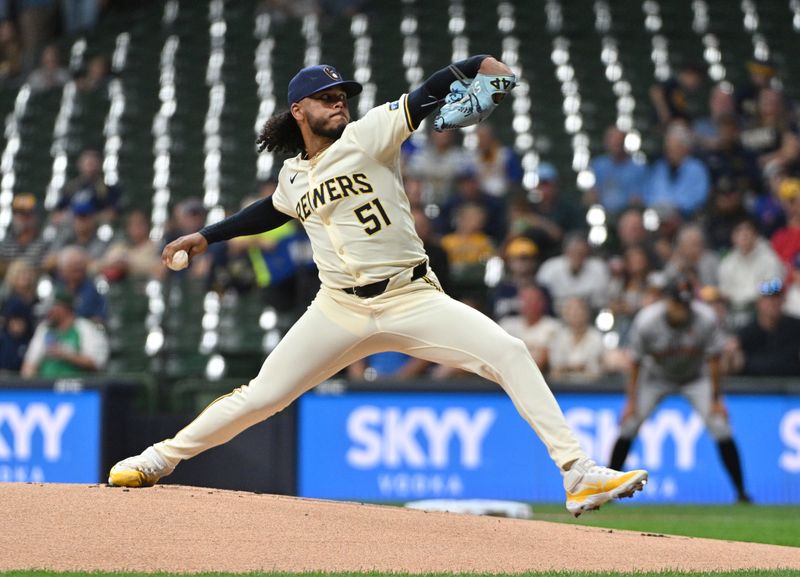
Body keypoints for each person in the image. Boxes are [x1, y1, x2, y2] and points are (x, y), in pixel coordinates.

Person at [108, 57, 648, 516]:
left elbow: (431, 90)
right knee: (261, 397)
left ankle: (578, 473)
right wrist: (206, 235)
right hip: (338, 308)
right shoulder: (293, 176)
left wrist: (482, 67)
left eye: (342, 94)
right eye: (326, 97)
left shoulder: (370, 133)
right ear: (299, 111)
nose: (338, 102)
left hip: (411, 296)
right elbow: (270, 211)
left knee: (508, 352)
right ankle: (157, 459)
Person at [608, 276, 750, 503]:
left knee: (721, 426)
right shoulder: (647, 321)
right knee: (629, 424)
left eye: (686, 303)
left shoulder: (705, 318)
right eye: (677, 303)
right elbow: (635, 362)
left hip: (695, 377)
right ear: (667, 301)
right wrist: (631, 402)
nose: (682, 309)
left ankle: (742, 493)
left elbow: (714, 360)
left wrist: (716, 399)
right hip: (655, 377)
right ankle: (610, 491)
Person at [20, 288, 108, 378]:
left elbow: (97, 363)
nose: (48, 311)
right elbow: (29, 364)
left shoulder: (86, 328)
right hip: (47, 387)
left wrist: (66, 355)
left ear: (64, 308)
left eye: (52, 307)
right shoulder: (44, 329)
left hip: (79, 387)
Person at [718, 217, 784, 328]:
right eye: (739, 231)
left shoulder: (769, 258)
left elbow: (776, 285)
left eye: (747, 231)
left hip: (761, 309)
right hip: (734, 311)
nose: (744, 235)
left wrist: (755, 295)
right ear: (733, 237)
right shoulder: (727, 263)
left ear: (756, 235)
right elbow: (725, 292)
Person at [726, 278, 800, 376]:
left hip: (792, 388)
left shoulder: (796, 328)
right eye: (768, 298)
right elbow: (730, 368)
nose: (773, 302)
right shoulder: (746, 332)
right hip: (752, 389)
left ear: (783, 300)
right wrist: (729, 357)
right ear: (759, 302)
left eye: (777, 297)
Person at [645, 123, 711, 217]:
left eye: (674, 147)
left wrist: (675, 208)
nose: (669, 152)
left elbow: (699, 198)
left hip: (684, 217)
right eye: (668, 147)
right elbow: (649, 194)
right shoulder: (659, 167)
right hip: (657, 216)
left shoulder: (697, 169)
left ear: (685, 148)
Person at [536, 232, 610, 313]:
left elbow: (602, 301)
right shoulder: (550, 268)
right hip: (555, 315)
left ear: (588, 253)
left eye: (581, 253)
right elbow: (540, 296)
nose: (577, 256)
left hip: (589, 315)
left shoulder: (598, 268)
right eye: (573, 252)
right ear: (566, 252)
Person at [499, 283, 561, 373]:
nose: (527, 304)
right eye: (524, 300)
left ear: (542, 303)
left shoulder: (553, 326)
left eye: (532, 300)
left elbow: (544, 361)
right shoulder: (507, 324)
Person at [587, 126, 647, 215]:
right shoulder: (597, 166)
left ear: (624, 143)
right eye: (613, 142)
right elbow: (591, 194)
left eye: (619, 141)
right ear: (606, 143)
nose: (616, 145)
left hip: (627, 213)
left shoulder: (638, 168)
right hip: (602, 214)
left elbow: (638, 198)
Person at [548, 296, 606, 382]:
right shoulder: (559, 337)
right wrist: (579, 367)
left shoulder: (596, 337)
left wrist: (567, 368)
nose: (575, 314)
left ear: (586, 313)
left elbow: (594, 370)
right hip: (562, 388)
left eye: (579, 310)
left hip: (592, 387)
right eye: (571, 310)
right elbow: (556, 369)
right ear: (566, 314)